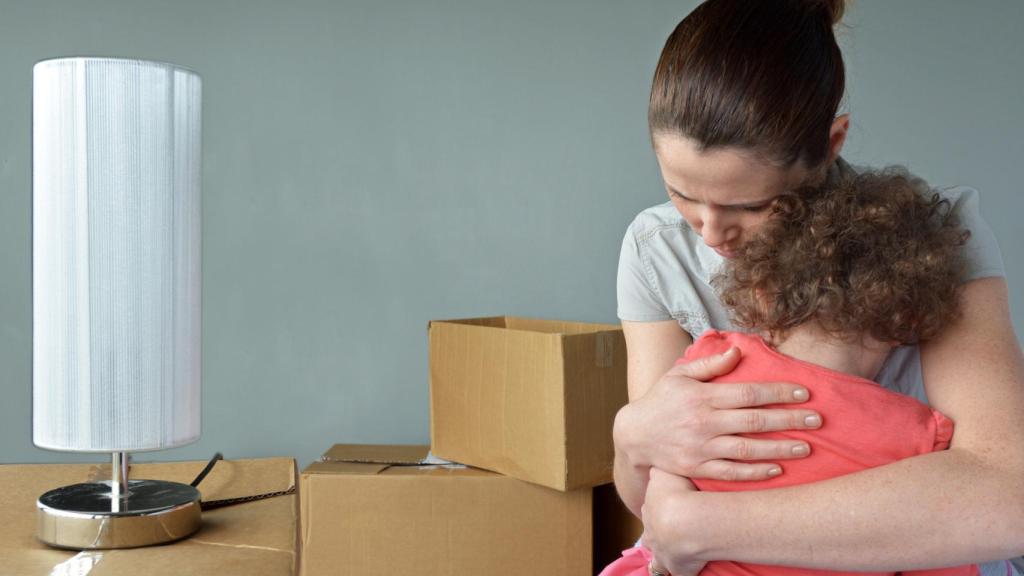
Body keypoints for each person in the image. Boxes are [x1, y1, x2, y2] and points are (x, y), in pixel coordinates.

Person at [611, 1, 1024, 575]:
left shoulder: (931, 235)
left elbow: (1006, 499)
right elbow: (652, 501)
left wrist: (703, 526)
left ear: (832, 142)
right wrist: (632, 437)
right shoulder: (655, 247)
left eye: (750, 204)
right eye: (681, 193)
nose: (710, 233)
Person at [601, 170, 977, 576]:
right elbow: (945, 554)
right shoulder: (919, 438)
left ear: (759, 294)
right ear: (906, 320)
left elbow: (657, 490)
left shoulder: (712, 358)